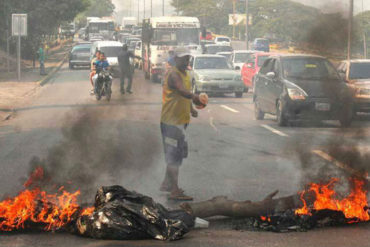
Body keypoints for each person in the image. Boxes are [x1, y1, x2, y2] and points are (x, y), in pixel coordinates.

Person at [160, 47, 206, 201]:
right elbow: (181, 90)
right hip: (171, 122)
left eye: (188, 58)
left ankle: (166, 184)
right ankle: (174, 191)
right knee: (174, 156)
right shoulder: (174, 74)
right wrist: (195, 97)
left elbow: (183, 94)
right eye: (183, 58)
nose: (186, 61)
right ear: (175, 59)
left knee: (177, 153)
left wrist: (191, 108)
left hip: (180, 121)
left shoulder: (185, 73)